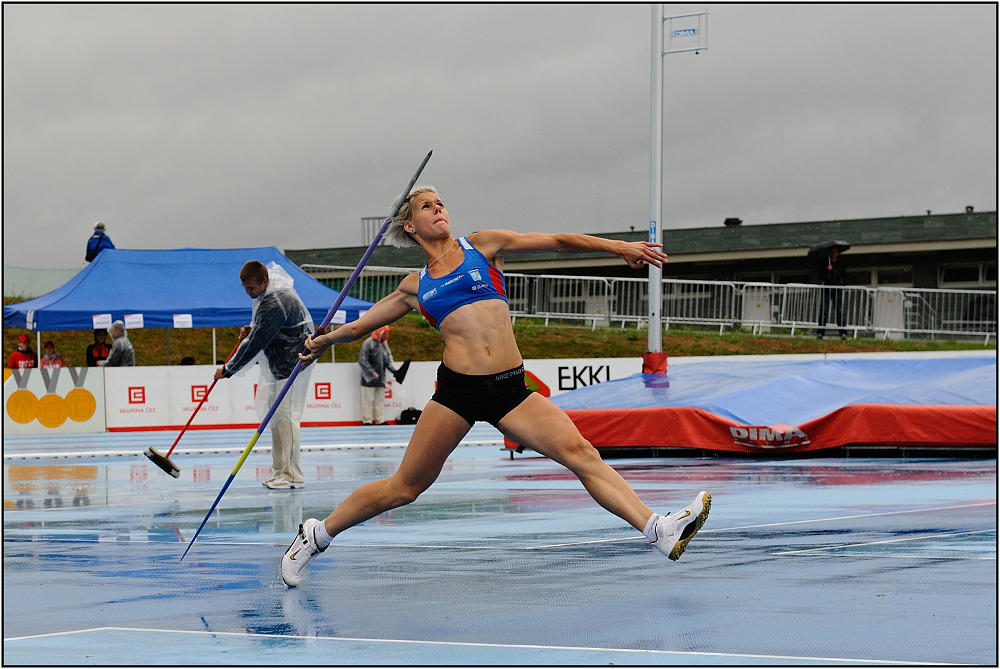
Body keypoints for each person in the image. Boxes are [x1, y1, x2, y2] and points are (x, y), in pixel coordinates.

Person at [279, 185, 711, 587]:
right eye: (427, 206)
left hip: (509, 390)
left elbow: (558, 241)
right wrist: (323, 341)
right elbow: (361, 326)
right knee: (404, 488)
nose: (439, 209)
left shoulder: (482, 245)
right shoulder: (415, 285)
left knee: (582, 454)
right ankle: (316, 534)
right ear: (410, 226)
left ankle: (657, 528)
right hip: (457, 394)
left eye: (441, 203)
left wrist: (617, 246)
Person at [214, 261, 315, 490]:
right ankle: (281, 471)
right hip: (283, 363)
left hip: (294, 363)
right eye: (245, 288)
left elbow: (257, 342)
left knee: (286, 418)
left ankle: (292, 475)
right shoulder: (269, 296)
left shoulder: (274, 301)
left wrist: (228, 369)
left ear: (264, 282)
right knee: (278, 419)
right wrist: (254, 326)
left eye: (251, 288)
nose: (248, 293)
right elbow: (264, 329)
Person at [358, 325, 399, 425]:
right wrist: (372, 372)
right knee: (368, 400)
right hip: (368, 378)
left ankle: (379, 420)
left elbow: (388, 360)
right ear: (379, 333)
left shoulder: (384, 344)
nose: (386, 335)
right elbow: (362, 360)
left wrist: (394, 371)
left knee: (379, 400)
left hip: (381, 378)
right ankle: (367, 421)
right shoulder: (368, 343)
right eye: (385, 333)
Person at [816, 247, 847, 339]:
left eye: (835, 251)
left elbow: (844, 275)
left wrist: (842, 285)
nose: (834, 253)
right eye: (832, 252)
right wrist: (827, 271)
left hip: (837, 290)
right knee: (824, 311)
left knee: (839, 311)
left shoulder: (840, 263)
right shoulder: (825, 262)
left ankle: (843, 333)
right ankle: (820, 332)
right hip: (827, 289)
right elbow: (821, 275)